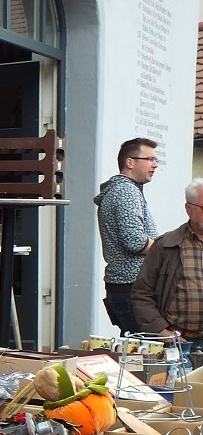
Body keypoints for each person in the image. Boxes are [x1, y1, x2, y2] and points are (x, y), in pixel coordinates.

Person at [94, 138, 159, 335]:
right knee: (143, 354)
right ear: (130, 162)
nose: (155, 165)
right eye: (149, 159)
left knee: (134, 351)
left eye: (156, 160)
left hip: (125, 287)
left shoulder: (123, 189)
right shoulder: (126, 191)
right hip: (132, 287)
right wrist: (164, 246)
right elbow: (135, 241)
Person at [132, 178, 203, 342]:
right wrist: (161, 330)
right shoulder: (166, 245)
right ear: (188, 209)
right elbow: (142, 293)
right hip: (179, 341)